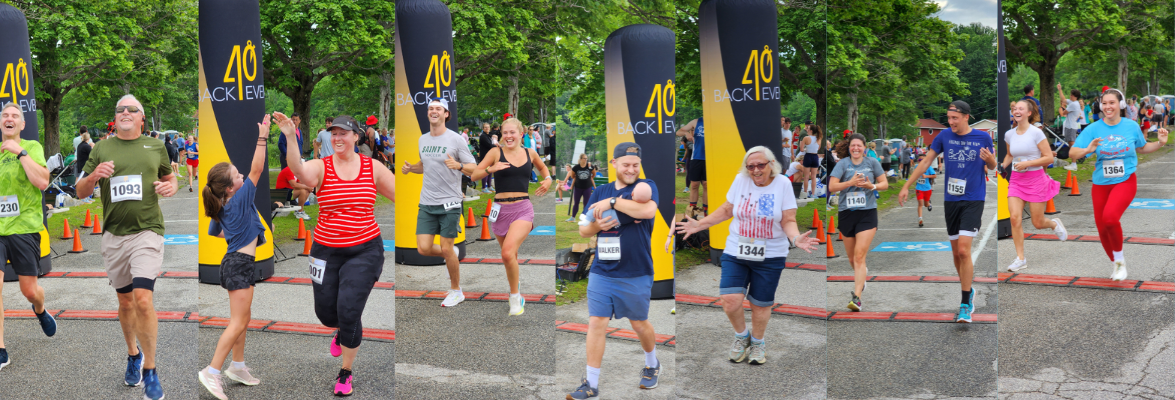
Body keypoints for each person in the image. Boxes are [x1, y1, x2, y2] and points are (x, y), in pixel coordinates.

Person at [279, 112, 395, 395]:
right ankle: (340, 329)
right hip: (325, 251)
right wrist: (289, 135)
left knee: (349, 310)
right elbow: (299, 170)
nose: (338, 137)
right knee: (327, 314)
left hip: (365, 250)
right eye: (334, 133)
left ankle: (346, 372)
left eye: (344, 133)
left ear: (356, 136)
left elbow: (404, 196)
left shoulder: (373, 168)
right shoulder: (322, 166)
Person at [674, 146, 818, 365]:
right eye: (751, 166)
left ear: (771, 164)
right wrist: (699, 224)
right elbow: (726, 209)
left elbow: (788, 220)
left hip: (770, 255)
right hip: (736, 250)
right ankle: (742, 337)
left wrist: (795, 238)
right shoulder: (740, 180)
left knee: (761, 304)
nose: (756, 170)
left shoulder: (783, 184)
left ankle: (758, 342)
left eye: (760, 165)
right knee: (730, 301)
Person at [76, 95, 178, 400]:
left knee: (143, 300)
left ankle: (151, 370)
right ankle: (133, 354)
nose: (125, 112)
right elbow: (80, 191)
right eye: (119, 108)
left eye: (132, 109)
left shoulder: (156, 146)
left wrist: (170, 186)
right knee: (125, 304)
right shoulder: (102, 148)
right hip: (114, 235)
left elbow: (169, 178)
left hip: (147, 232)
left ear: (141, 118)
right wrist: (95, 175)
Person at [566, 142, 662, 399]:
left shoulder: (647, 186)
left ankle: (652, 364)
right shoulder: (601, 190)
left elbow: (648, 209)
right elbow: (584, 229)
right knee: (597, 322)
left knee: (639, 323)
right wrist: (599, 225)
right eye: (626, 164)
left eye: (635, 165)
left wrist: (612, 203)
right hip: (602, 269)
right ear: (614, 164)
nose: (631, 170)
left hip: (636, 269)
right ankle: (590, 383)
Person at [197, 115, 273, 400]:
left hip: (235, 263)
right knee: (238, 322)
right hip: (239, 265)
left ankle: (238, 366)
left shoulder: (224, 204)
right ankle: (212, 371)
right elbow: (257, 168)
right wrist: (262, 137)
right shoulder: (240, 198)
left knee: (243, 317)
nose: (243, 176)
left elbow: (214, 232)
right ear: (231, 187)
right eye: (237, 176)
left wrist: (241, 229)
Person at [899, 100, 996, 323]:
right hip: (951, 199)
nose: (950, 122)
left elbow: (991, 166)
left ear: (966, 117)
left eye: (954, 118)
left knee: (963, 250)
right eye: (949, 118)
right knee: (955, 254)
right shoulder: (944, 137)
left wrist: (991, 160)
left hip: (973, 198)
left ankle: (964, 303)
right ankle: (969, 289)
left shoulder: (982, 137)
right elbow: (925, 163)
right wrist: (907, 185)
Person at [1069, 89, 1168, 281]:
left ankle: (1120, 261)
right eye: (1104, 103)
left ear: (1120, 105)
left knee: (1110, 218)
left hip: (1125, 180)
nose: (1108, 107)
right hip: (1100, 183)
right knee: (1101, 228)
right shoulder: (1093, 129)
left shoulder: (1131, 126)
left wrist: (1160, 143)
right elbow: (1073, 153)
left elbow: (1141, 147)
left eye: (1112, 103)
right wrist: (1089, 149)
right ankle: (1116, 263)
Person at [468, 117, 553, 316]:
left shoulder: (529, 152)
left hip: (523, 208)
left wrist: (548, 179)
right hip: (500, 211)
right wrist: (491, 169)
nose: (508, 136)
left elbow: (542, 168)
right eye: (504, 133)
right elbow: (474, 175)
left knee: (507, 253)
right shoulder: (495, 152)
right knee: (510, 256)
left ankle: (515, 297)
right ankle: (515, 283)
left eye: (512, 132)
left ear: (520, 134)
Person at [400, 98, 476, 307]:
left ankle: (456, 291)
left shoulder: (456, 139)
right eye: (431, 109)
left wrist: (459, 166)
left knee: (445, 247)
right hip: (427, 202)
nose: (434, 112)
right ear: (428, 114)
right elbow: (425, 165)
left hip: (450, 203)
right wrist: (410, 169)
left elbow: (474, 167)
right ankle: (451, 253)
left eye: (438, 109)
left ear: (446, 114)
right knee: (423, 248)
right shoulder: (422, 140)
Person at [0, 102, 57, 372]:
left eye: (15, 116)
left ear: (22, 125)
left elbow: (43, 182)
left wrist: (20, 152)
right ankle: (1, 350)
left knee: (29, 290)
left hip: (24, 228)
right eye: (5, 115)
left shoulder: (31, 147)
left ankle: (40, 309)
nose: (9, 119)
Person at [1003, 100, 1068, 272]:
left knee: (1037, 222)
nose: (1016, 110)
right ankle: (1020, 259)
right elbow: (1010, 154)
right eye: (1015, 108)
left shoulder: (1036, 133)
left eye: (1020, 109)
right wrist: (1001, 166)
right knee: (1015, 218)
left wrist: (1028, 163)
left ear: (1028, 113)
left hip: (1036, 179)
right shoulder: (1009, 134)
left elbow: (1048, 157)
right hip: (1016, 180)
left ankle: (1054, 224)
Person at [828, 134, 888, 311]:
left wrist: (872, 186)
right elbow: (831, 187)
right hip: (846, 213)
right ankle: (862, 277)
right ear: (849, 147)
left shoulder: (872, 163)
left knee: (860, 255)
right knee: (852, 258)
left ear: (864, 147)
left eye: (859, 146)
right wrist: (850, 182)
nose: (856, 148)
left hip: (867, 213)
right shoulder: (842, 164)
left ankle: (857, 298)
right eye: (853, 145)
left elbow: (884, 183)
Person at [676, 118, 707, 218]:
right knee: (694, 185)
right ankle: (692, 211)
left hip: (710, 158)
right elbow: (679, 132)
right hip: (696, 157)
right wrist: (686, 133)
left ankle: (706, 212)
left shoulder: (716, 119)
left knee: (706, 185)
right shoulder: (697, 122)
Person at [567, 153, 597, 223]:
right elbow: (572, 176)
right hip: (578, 187)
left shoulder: (589, 166)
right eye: (584, 158)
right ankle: (573, 217)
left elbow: (594, 174)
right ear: (581, 159)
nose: (586, 160)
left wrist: (590, 178)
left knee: (586, 203)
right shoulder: (576, 167)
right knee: (576, 202)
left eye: (586, 158)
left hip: (587, 187)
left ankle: (585, 217)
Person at [798, 124, 823, 198]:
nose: (807, 130)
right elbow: (818, 148)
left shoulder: (806, 138)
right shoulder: (819, 138)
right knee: (813, 176)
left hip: (808, 156)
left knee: (806, 177)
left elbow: (801, 149)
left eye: (808, 128)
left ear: (811, 130)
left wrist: (806, 148)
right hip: (815, 156)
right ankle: (813, 194)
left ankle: (805, 193)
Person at [914, 155, 935, 227]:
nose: (921, 161)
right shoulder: (916, 167)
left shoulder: (929, 167)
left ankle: (929, 204)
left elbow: (934, 175)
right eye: (920, 160)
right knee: (920, 203)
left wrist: (926, 176)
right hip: (919, 188)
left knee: (926, 204)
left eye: (923, 160)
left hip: (927, 189)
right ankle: (920, 219)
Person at [477, 122, 496, 192]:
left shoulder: (488, 135)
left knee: (490, 171)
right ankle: (483, 188)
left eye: (488, 127)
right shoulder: (483, 136)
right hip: (485, 157)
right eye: (485, 127)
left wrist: (495, 136)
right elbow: (489, 145)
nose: (487, 128)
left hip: (490, 156)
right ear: (483, 128)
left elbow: (492, 135)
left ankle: (489, 186)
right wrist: (497, 146)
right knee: (485, 172)